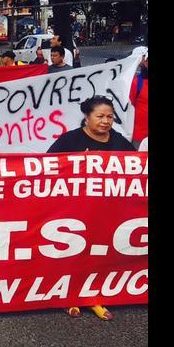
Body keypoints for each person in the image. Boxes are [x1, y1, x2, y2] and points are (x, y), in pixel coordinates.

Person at [47, 95, 135, 322]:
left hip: (108, 211)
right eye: (100, 116)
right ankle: (69, 295)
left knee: (99, 253)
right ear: (87, 117)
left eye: (110, 116)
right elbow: (46, 166)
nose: (106, 121)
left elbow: (137, 168)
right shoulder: (70, 140)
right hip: (73, 211)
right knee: (74, 252)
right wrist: (75, 165)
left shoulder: (119, 142)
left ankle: (94, 296)